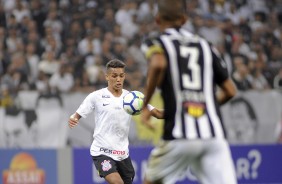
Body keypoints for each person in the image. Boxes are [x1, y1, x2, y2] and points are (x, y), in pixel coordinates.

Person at [141, 0, 238, 184]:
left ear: (157, 19)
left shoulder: (156, 42)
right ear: (184, 19)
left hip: (179, 135)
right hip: (213, 135)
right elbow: (231, 91)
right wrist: (205, 106)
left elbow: (158, 63)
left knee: (151, 181)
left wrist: (146, 106)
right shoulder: (206, 46)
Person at [68, 59, 163, 184]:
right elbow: (77, 114)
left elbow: (157, 113)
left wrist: (178, 111)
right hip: (102, 152)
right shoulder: (96, 96)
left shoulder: (133, 98)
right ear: (107, 77)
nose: (118, 79)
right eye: (114, 76)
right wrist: (73, 118)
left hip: (123, 154)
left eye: (121, 76)